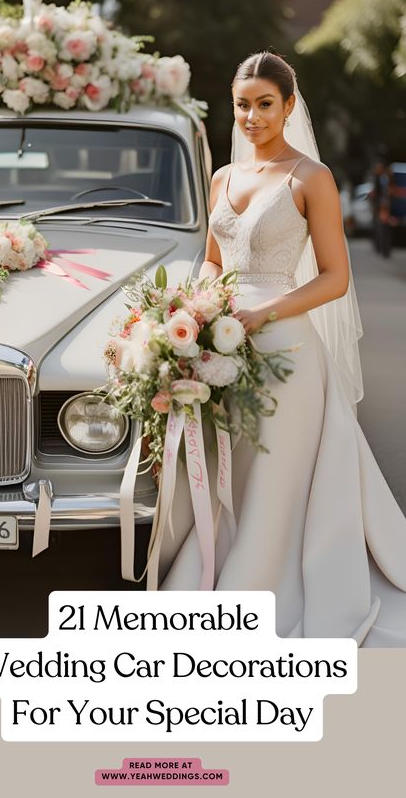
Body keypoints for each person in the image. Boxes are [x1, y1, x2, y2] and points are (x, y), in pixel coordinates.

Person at [158, 51, 406, 648]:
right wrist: (191, 316)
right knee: (231, 471)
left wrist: (261, 313)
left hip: (286, 350)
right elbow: (215, 264)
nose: (251, 116)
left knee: (276, 478)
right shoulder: (221, 178)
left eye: (265, 104)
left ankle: (260, 590)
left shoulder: (310, 178)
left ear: (289, 106)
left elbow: (334, 278)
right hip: (220, 347)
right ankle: (219, 576)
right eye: (242, 104)